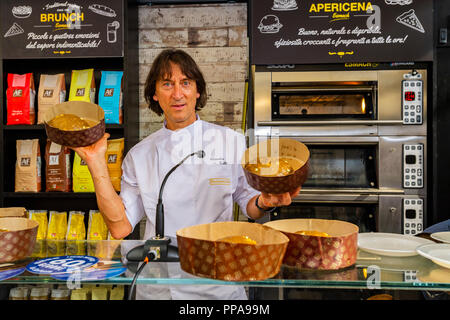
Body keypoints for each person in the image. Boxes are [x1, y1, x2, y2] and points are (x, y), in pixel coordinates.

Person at [73, 48, 301, 299]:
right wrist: (95, 163)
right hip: (160, 286)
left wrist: (265, 202)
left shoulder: (231, 141)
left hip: (217, 282)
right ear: (155, 94)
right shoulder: (140, 155)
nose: (178, 94)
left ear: (197, 91)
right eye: (167, 84)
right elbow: (120, 228)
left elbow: (250, 205)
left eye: (186, 83)